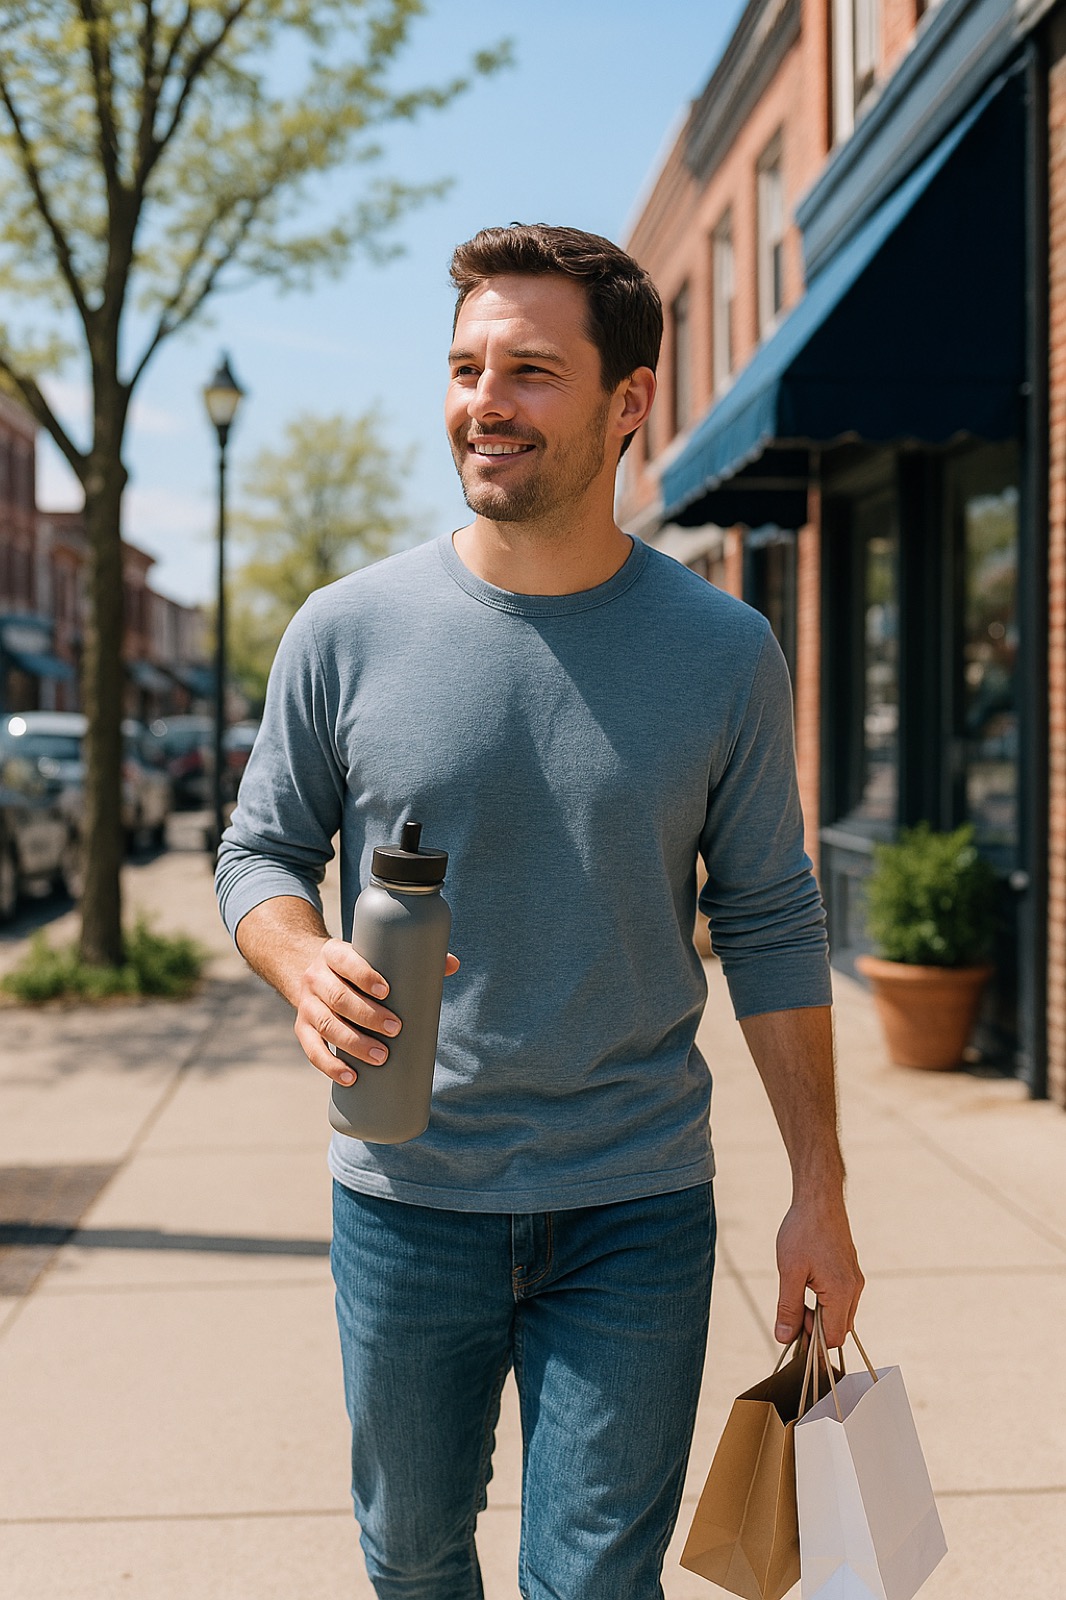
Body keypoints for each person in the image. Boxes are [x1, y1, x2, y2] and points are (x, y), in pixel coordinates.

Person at [215, 222, 864, 1600]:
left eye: (529, 370)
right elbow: (256, 853)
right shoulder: (345, 630)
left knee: (591, 1582)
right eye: (463, 367)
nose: (483, 402)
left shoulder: (722, 652)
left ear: (629, 402)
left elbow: (769, 919)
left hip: (632, 1199)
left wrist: (819, 1186)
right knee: (411, 1557)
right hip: (407, 1194)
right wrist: (300, 960)